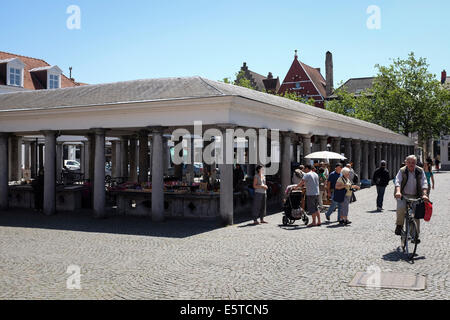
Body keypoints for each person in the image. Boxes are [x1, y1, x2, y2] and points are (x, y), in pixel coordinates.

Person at [394, 155, 429, 242]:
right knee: (401, 208)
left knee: (416, 215)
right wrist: (398, 192)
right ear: (406, 163)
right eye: (409, 162)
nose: (411, 164)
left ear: (416, 163)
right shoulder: (402, 171)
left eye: (413, 163)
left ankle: (415, 235)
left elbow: (424, 183)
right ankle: (399, 225)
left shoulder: (420, 171)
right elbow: (397, 181)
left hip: (416, 196)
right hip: (403, 195)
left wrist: (424, 194)